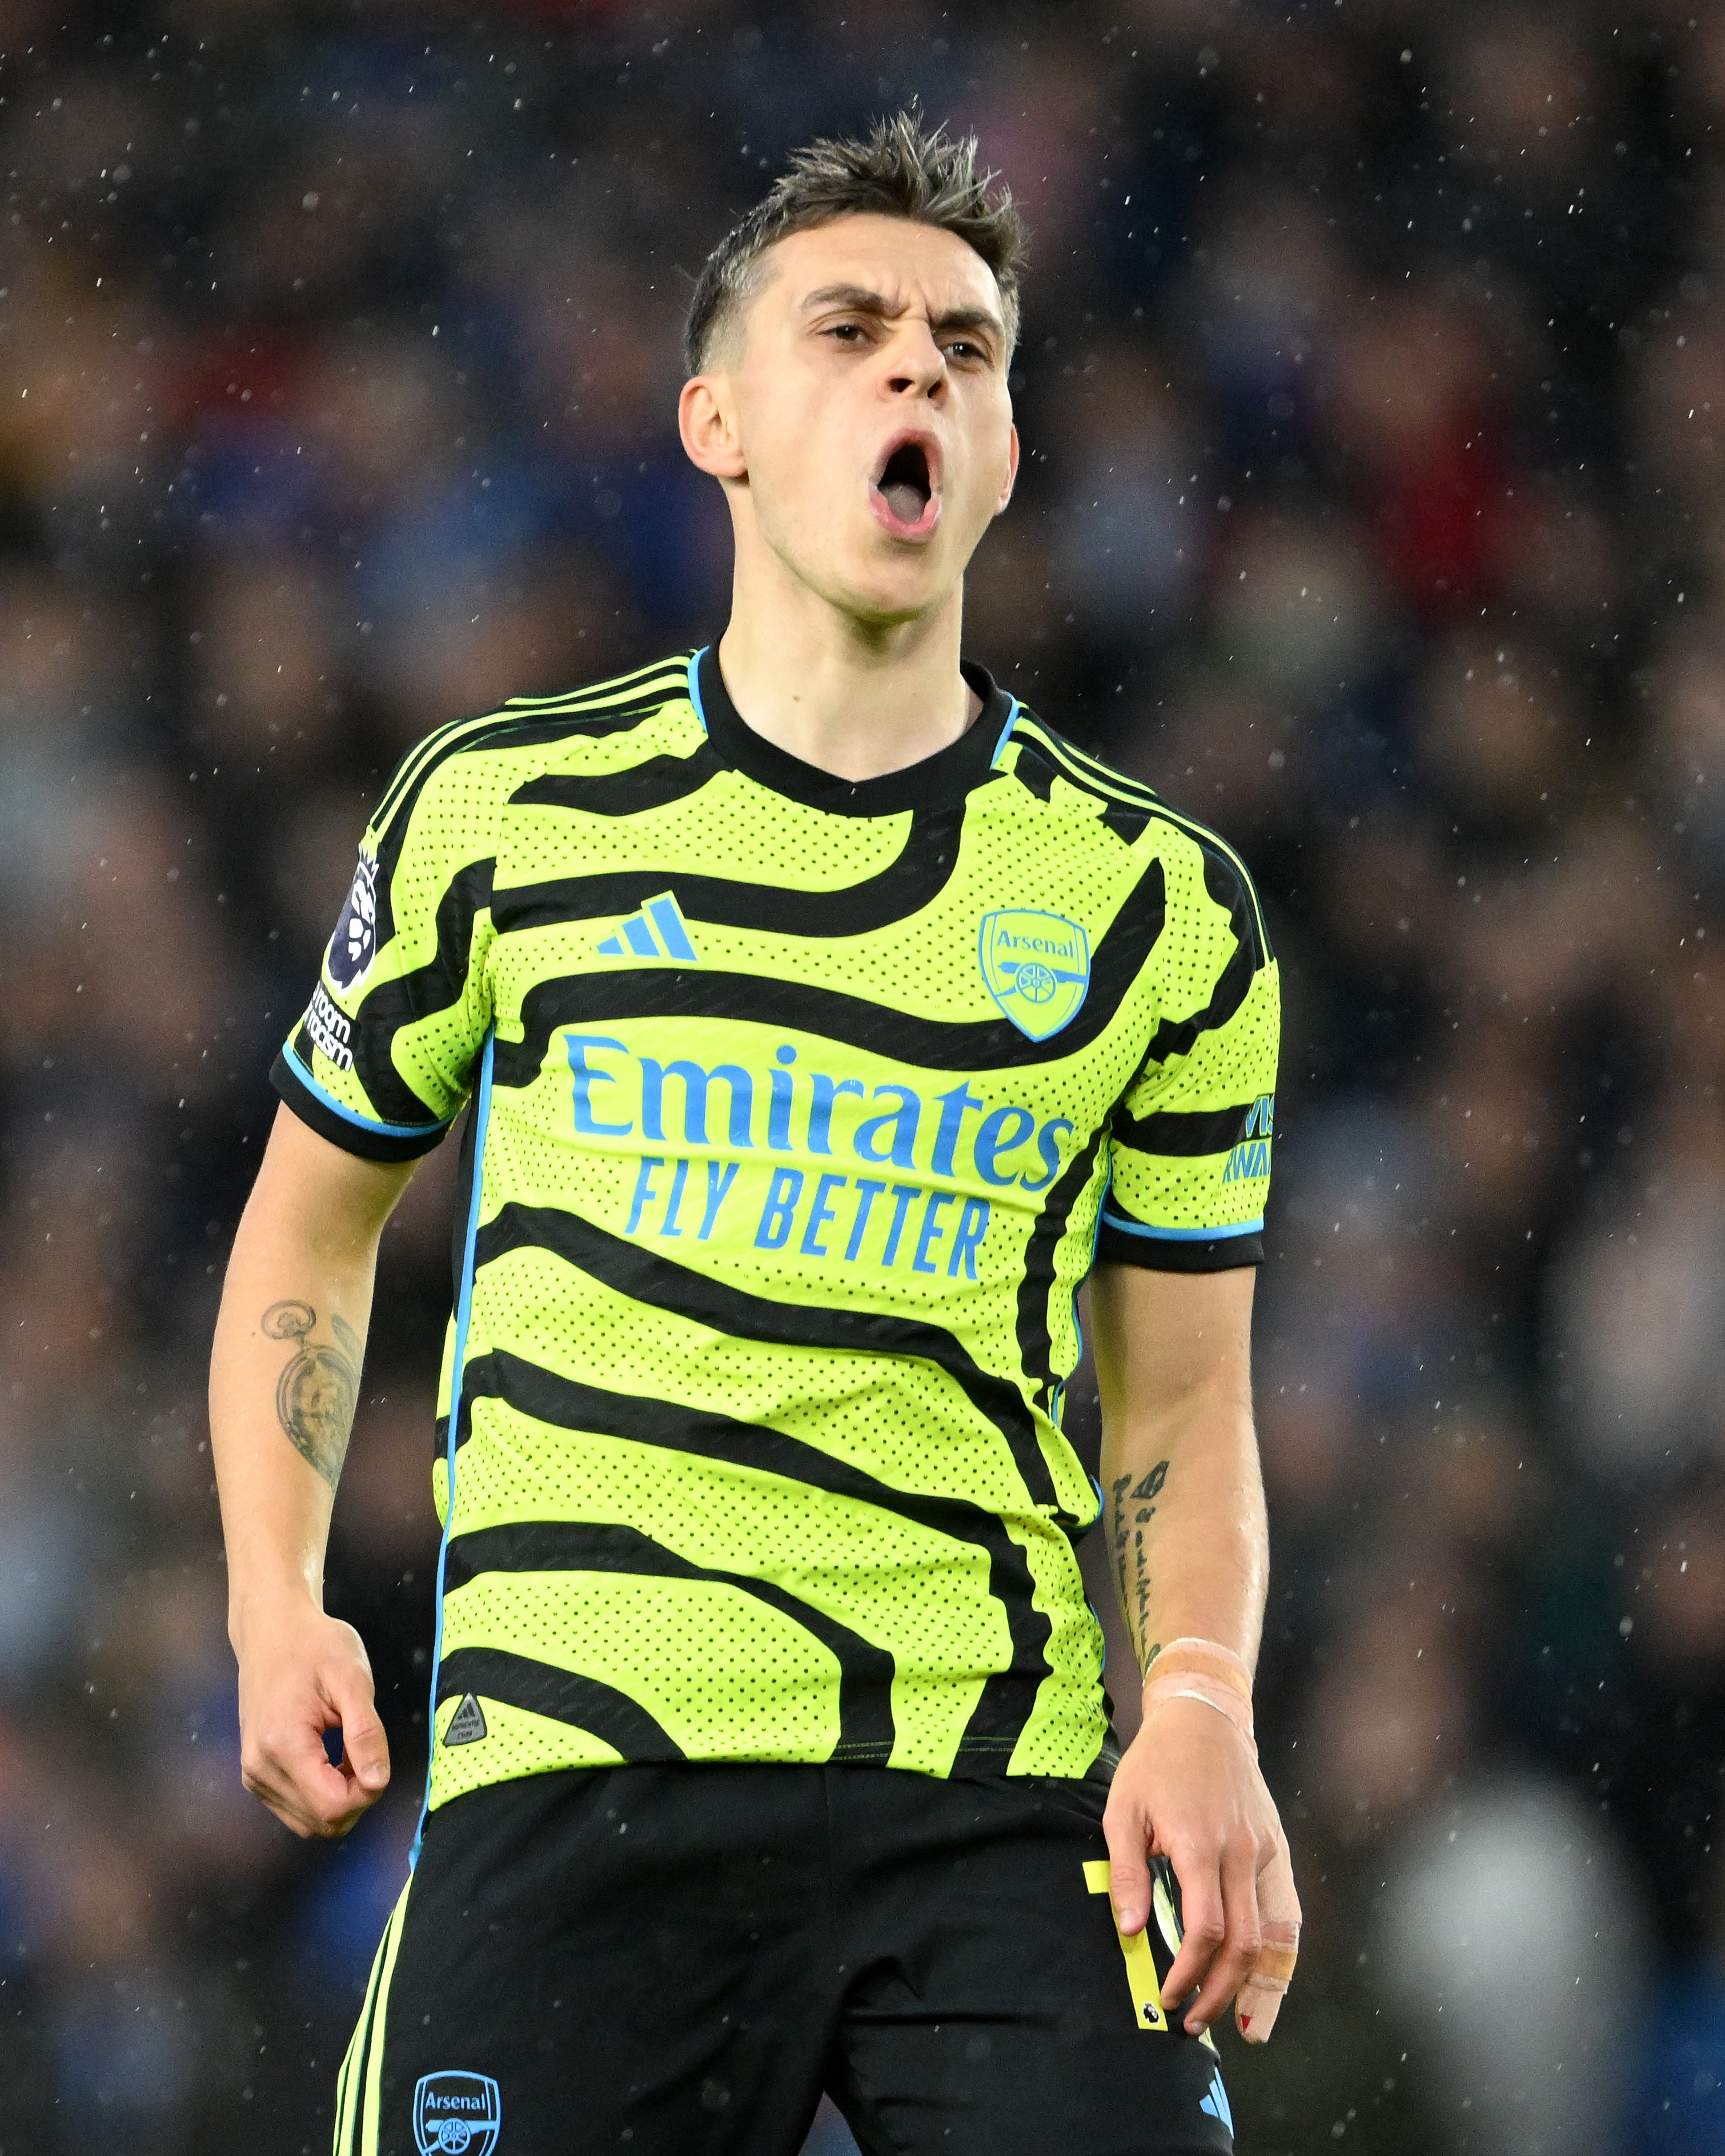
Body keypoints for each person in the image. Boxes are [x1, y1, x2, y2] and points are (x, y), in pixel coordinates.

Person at [209, 112, 1298, 2156]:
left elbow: (1180, 1397)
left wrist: (1203, 1706)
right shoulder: (503, 815)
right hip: (576, 1759)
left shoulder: (1160, 908)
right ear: (713, 420)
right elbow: (302, 1235)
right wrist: (277, 1607)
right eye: (853, 331)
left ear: (1002, 448)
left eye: (966, 350)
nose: (919, 373)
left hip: (996, 1787)